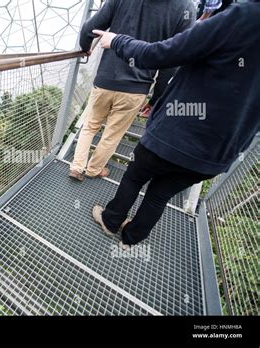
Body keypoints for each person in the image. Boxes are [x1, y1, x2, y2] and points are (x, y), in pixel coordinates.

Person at [90, 1, 260, 250]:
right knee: (160, 194)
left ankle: (111, 220)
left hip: (175, 134)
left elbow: (160, 54)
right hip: (217, 153)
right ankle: (131, 239)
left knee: (135, 176)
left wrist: (117, 41)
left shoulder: (245, 16)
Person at [69, 0, 196, 182]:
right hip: (135, 88)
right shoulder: (186, 8)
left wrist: (85, 47)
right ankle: (93, 170)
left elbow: (89, 28)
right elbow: (172, 63)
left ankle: (76, 167)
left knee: (90, 125)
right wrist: (156, 99)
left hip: (105, 79)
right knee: (112, 134)